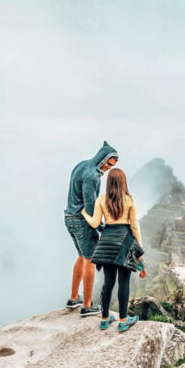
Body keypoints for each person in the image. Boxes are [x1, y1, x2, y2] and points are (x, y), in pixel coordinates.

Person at [81, 168, 143, 332]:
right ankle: (123, 321)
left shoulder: (101, 199)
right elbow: (134, 226)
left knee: (108, 283)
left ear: (109, 182)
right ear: (124, 182)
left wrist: (84, 213)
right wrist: (139, 248)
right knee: (124, 283)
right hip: (124, 242)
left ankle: (104, 318)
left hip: (106, 243)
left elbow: (95, 224)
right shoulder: (129, 200)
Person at [64, 141, 118, 317]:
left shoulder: (82, 165)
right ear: (103, 158)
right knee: (89, 260)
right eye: (108, 163)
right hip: (82, 222)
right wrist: (101, 226)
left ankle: (74, 298)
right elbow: (90, 207)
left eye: (112, 166)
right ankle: (87, 305)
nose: (109, 168)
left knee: (81, 256)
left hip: (69, 217)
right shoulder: (92, 176)